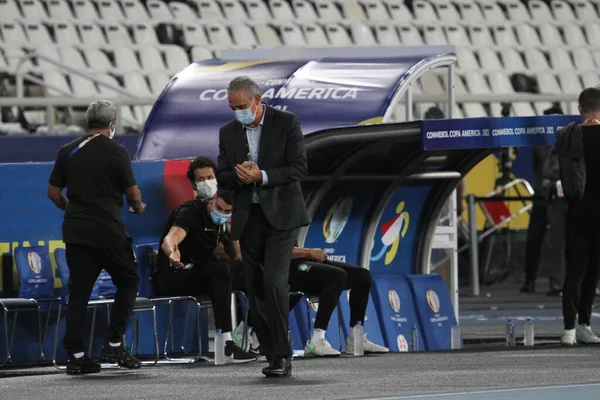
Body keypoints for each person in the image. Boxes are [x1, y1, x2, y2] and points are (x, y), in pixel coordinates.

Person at [216, 76, 309, 377]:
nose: (237, 112)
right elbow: (221, 176)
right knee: (255, 287)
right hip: (249, 217)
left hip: (282, 216)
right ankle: (272, 355)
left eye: (242, 106)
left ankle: (282, 354)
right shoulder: (228, 132)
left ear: (257, 100)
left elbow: (298, 168)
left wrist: (263, 176)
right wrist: (239, 176)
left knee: (273, 282)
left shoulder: (286, 123)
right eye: (232, 107)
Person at [47, 100, 146, 375]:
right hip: (108, 230)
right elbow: (133, 194)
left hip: (76, 231)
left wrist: (75, 210)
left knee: (79, 293)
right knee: (128, 280)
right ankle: (114, 342)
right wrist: (138, 207)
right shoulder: (117, 151)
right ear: (112, 124)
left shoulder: (67, 150)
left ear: (87, 122)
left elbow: (54, 193)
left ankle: (76, 355)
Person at [152, 189, 256, 362]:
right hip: (173, 273)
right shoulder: (191, 211)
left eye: (227, 211)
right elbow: (171, 238)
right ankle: (226, 343)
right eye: (219, 208)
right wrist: (172, 252)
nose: (221, 214)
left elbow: (235, 255)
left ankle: (255, 334)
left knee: (247, 271)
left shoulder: (225, 222)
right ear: (213, 199)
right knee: (221, 269)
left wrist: (232, 232)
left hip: (199, 272)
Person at [233, 248, 389, 357]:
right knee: (337, 276)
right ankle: (316, 340)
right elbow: (275, 250)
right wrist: (308, 252)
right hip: (283, 268)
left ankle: (356, 338)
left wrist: (307, 253)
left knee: (362, 276)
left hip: (301, 260)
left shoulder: (289, 211)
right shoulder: (266, 215)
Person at [556, 88, 600, 345]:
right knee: (593, 271)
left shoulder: (568, 135)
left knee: (575, 271)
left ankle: (569, 329)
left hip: (577, 208)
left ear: (580, 109)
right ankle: (585, 323)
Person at [520, 106, 563, 293]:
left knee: (559, 241)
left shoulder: (568, 141)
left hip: (560, 197)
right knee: (533, 239)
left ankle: (557, 281)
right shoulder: (539, 143)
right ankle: (530, 279)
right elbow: (537, 168)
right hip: (540, 197)